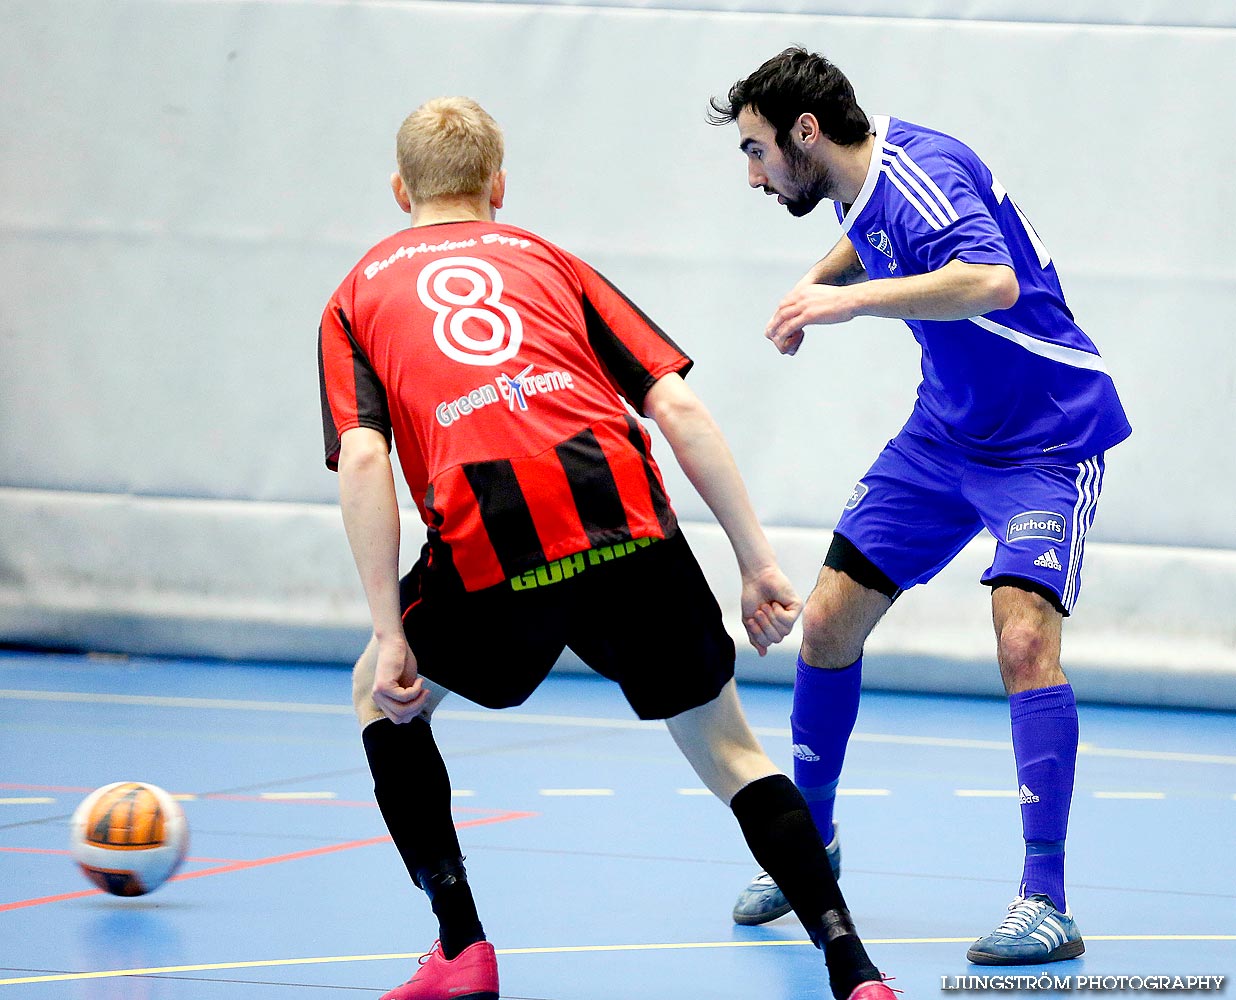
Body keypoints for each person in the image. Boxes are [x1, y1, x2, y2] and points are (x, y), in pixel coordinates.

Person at [318, 96, 897, 1000]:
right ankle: (852, 965)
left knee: (377, 694)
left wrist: (391, 630)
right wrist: (756, 560)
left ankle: (461, 949)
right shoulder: (549, 260)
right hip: (625, 515)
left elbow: (363, 454)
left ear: (401, 191)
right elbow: (675, 406)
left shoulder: (357, 293)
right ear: (498, 186)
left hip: (492, 540)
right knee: (732, 750)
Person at [709, 48, 1131, 966]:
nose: (753, 173)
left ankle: (1045, 901)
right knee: (825, 626)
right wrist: (820, 281)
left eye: (755, 150)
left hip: (1046, 439)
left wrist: (847, 304)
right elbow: (873, 230)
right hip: (943, 436)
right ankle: (809, 852)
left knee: (1023, 641)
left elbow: (991, 281)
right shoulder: (866, 186)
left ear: (804, 133)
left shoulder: (924, 174)